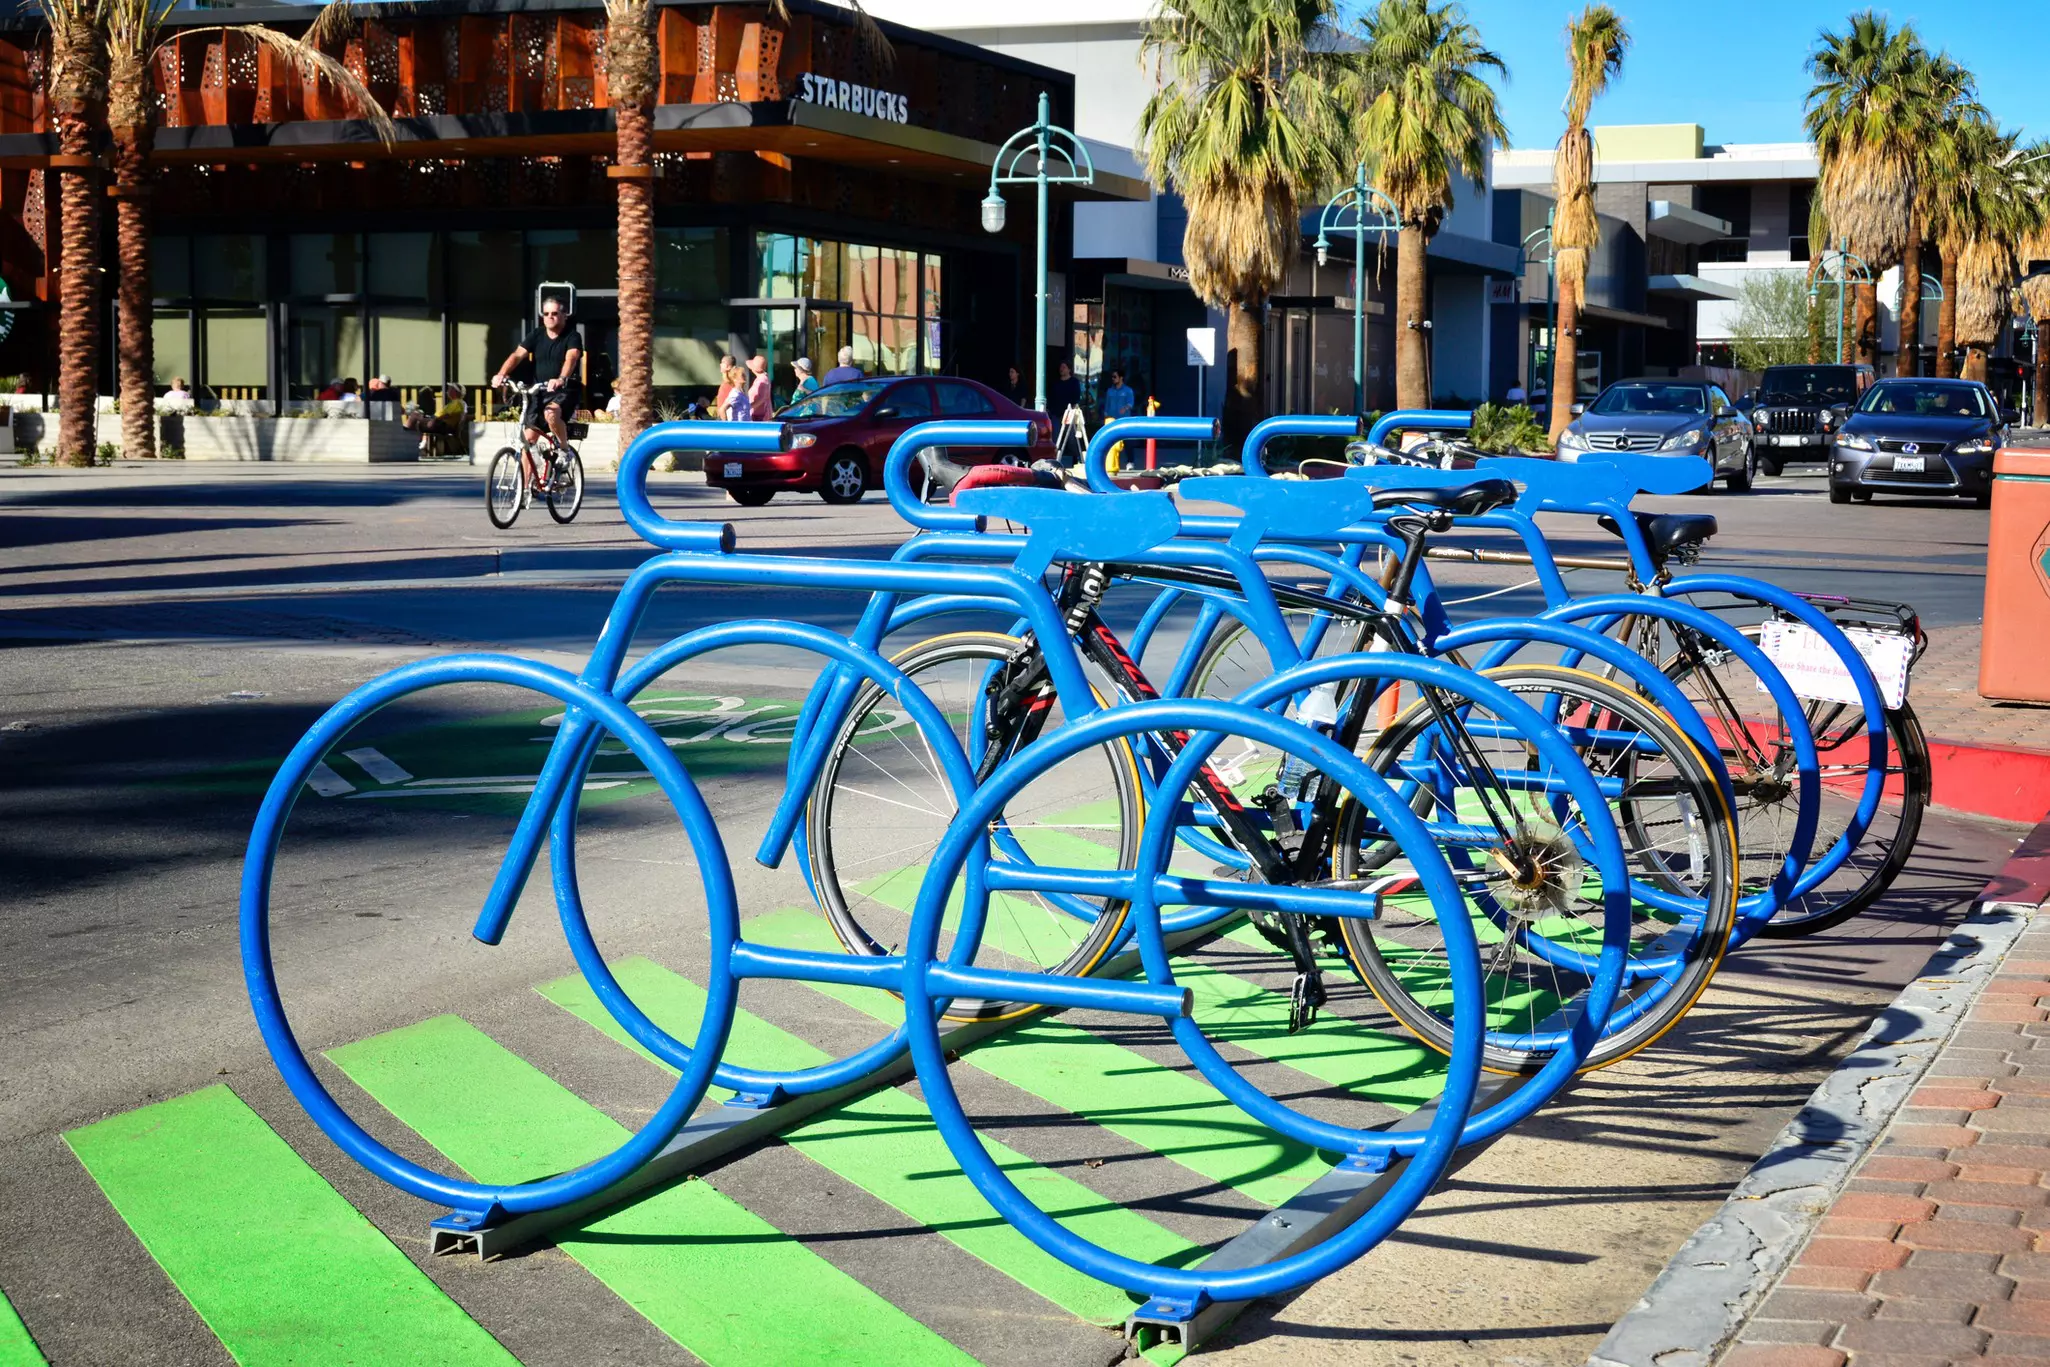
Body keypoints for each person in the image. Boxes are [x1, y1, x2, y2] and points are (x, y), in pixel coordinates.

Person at [492, 300, 583, 492]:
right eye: (546, 313)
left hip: (564, 391)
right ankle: (524, 490)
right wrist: (502, 374)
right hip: (539, 390)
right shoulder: (536, 334)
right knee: (528, 440)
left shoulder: (572, 336)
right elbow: (517, 355)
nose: (550, 317)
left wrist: (561, 378)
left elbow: (572, 357)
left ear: (564, 315)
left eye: (555, 313)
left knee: (551, 414)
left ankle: (564, 450)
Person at [403, 383, 467, 456]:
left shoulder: (457, 403)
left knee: (414, 416)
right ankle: (412, 442)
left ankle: (404, 436)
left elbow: (447, 415)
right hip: (438, 423)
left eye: (449, 389)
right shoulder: (457, 403)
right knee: (416, 416)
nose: (447, 391)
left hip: (439, 424)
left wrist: (434, 419)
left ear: (455, 392)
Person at [1046, 360, 1082, 424]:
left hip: (1069, 414)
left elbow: (1076, 397)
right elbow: (1051, 397)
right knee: (1056, 433)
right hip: (1055, 414)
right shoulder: (1055, 383)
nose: (1061, 369)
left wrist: (1072, 410)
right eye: (1060, 367)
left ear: (1069, 369)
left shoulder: (1074, 382)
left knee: (1069, 433)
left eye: (1064, 367)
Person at [747, 354, 773, 420]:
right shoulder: (761, 378)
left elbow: (762, 399)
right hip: (758, 415)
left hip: (760, 417)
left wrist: (748, 407)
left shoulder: (762, 380)